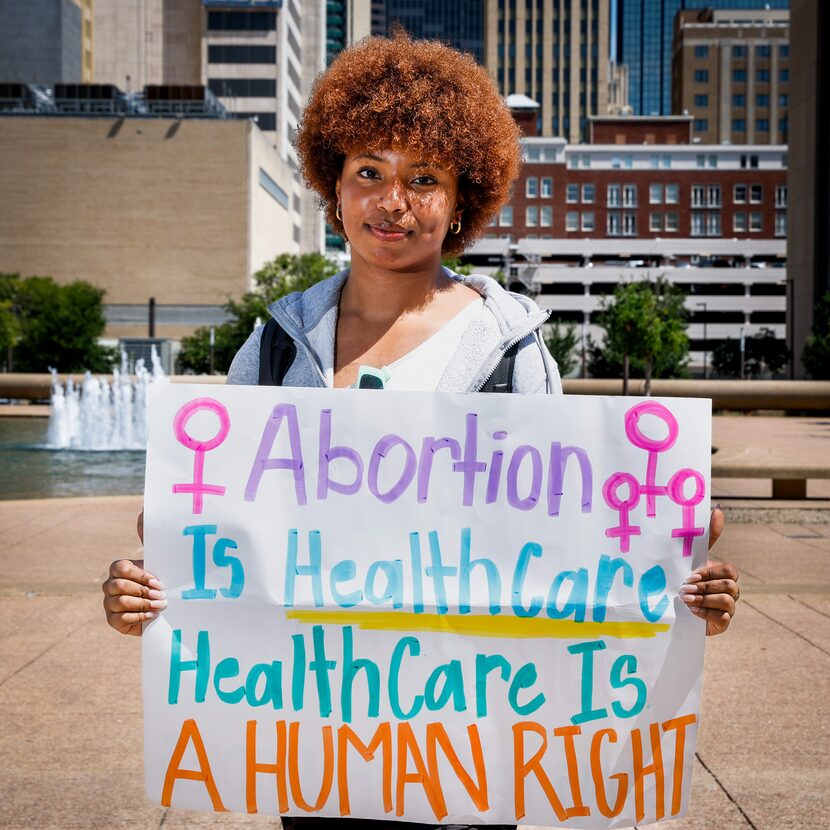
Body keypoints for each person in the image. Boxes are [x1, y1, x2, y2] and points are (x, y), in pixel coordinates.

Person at [102, 32, 740, 828]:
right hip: (318, 762)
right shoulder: (271, 346)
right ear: (332, 187)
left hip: (472, 767)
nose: (392, 201)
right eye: (368, 171)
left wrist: (675, 582)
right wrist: (148, 581)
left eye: (424, 178)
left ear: (462, 198)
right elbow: (206, 532)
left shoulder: (512, 348)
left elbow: (573, 548)